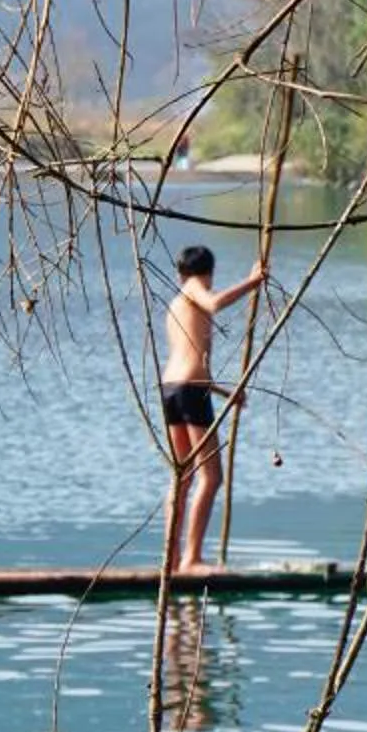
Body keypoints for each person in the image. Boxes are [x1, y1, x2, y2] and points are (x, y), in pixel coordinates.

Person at [158, 243, 265, 573]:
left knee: (183, 476)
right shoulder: (194, 289)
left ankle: (172, 560)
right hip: (190, 391)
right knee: (211, 476)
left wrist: (223, 392)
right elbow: (215, 303)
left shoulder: (176, 303)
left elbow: (189, 362)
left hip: (172, 388)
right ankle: (191, 558)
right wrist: (253, 281)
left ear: (180, 271)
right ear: (208, 272)